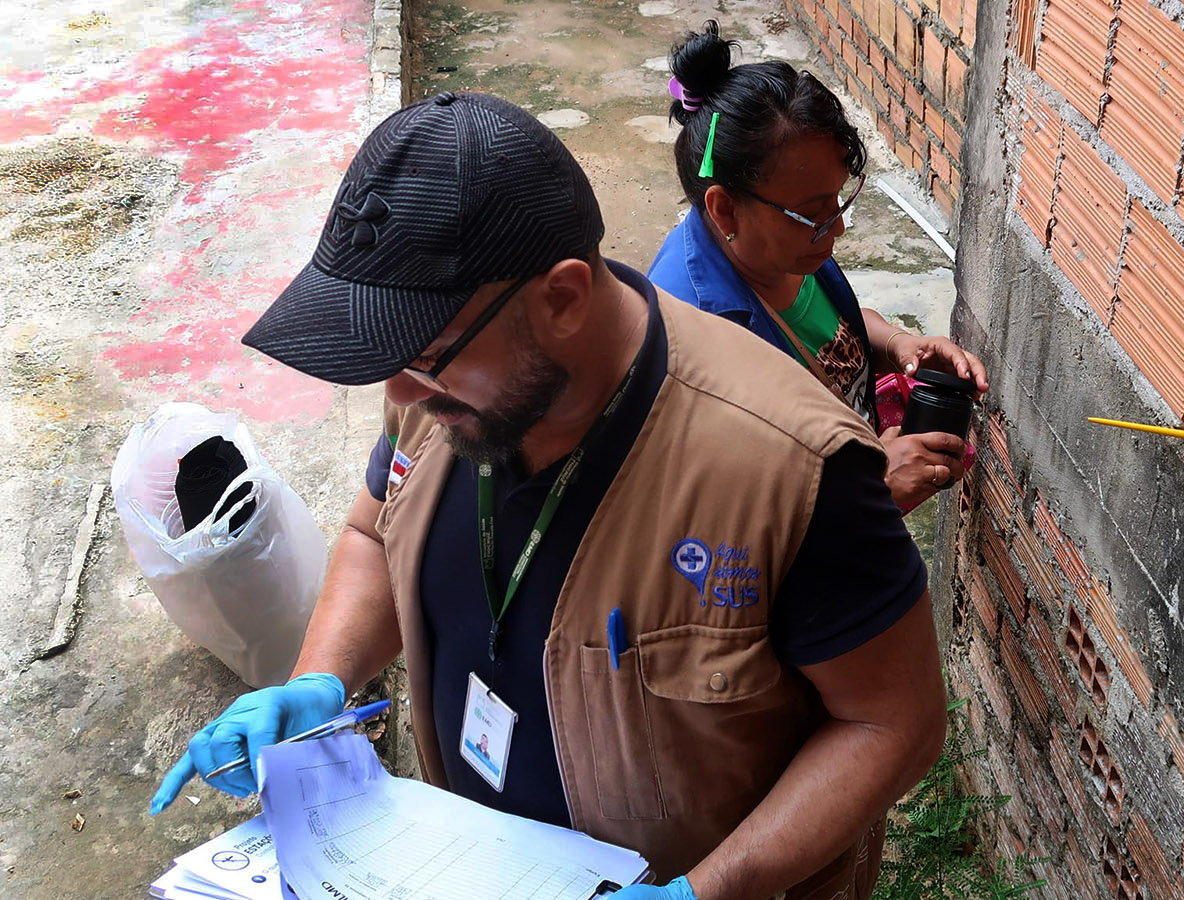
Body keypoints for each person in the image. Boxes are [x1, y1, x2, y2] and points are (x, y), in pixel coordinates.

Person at [149, 91, 945, 900]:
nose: (397, 388)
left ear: (563, 298)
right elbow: (374, 532)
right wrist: (318, 681)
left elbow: (893, 725)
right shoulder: (444, 388)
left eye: (425, 357)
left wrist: (706, 892)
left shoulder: (795, 467)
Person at [648, 21, 988, 512]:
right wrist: (872, 493)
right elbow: (725, 531)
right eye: (812, 214)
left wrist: (896, 343)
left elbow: (817, 323)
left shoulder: (773, 250)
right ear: (725, 210)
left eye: (839, 202)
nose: (838, 230)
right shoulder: (693, 350)